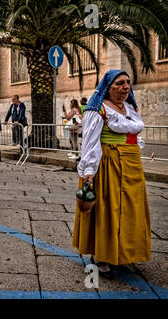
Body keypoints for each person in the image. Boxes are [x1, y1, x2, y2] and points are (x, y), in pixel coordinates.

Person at [73, 70, 150, 279]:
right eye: (120, 83)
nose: (126, 87)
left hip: (131, 165)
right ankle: (102, 258)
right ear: (108, 87)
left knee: (131, 211)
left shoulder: (130, 108)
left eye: (128, 83)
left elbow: (135, 136)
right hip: (108, 165)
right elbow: (90, 142)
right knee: (109, 211)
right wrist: (89, 171)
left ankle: (123, 254)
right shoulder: (97, 109)